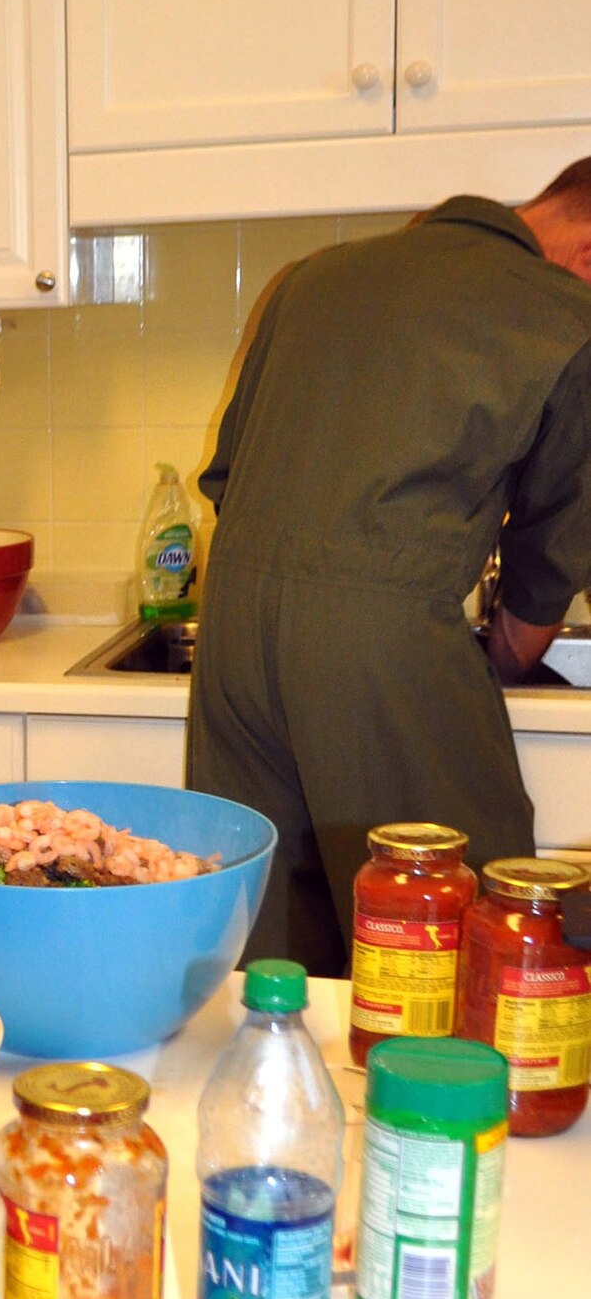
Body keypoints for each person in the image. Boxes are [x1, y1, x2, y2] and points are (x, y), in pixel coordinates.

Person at [187, 168, 591, 975]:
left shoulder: (312, 279)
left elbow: (228, 476)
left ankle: (276, 1098)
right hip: (378, 647)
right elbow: (556, 549)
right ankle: (440, 1104)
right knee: (454, 929)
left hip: (232, 635)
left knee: (269, 941)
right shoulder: (564, 317)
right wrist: (503, 656)